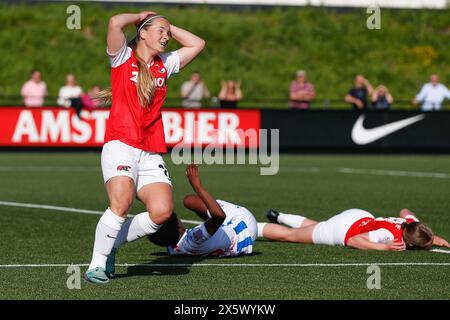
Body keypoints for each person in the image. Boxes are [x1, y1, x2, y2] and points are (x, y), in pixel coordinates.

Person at [84, 11, 205, 284]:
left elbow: (198, 44)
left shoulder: (165, 63)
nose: (166, 36)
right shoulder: (122, 58)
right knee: (121, 203)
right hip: (120, 143)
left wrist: (165, 24)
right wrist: (141, 16)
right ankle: (97, 264)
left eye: (167, 32)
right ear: (143, 33)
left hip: (150, 150)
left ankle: (111, 244)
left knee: (162, 211)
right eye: (159, 32)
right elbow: (114, 21)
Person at [145, 164, 258, 258]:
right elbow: (219, 216)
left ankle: (264, 227)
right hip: (244, 228)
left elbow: (158, 230)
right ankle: (260, 227)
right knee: (190, 201)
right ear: (178, 225)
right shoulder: (193, 238)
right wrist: (197, 186)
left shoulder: (172, 247)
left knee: (189, 201)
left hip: (238, 235)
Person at [258, 208, 450, 251]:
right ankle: (252, 228)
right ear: (408, 242)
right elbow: (353, 240)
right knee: (289, 236)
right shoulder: (387, 235)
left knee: (318, 226)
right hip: (343, 230)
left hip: (358, 215)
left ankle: (279, 216)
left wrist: (431, 237)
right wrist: (384, 248)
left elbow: (405, 210)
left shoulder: (408, 223)